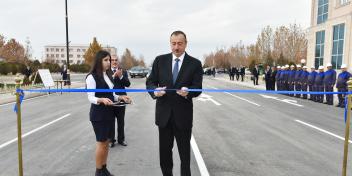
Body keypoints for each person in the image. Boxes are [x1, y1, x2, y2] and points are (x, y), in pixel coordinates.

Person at [146, 31, 203, 176]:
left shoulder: (195, 64)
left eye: (180, 43)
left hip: (183, 117)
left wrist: (189, 92)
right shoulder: (160, 60)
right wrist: (154, 91)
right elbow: (150, 81)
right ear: (170, 43)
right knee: (164, 155)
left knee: (185, 156)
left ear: (186, 43)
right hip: (164, 117)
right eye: (173, 43)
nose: (176, 47)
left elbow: (198, 87)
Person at [86, 50, 131, 176]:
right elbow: (90, 97)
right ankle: (98, 171)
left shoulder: (108, 75)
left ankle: (104, 168)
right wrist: (100, 100)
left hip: (109, 113)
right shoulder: (91, 77)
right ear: (99, 61)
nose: (108, 63)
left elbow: (112, 94)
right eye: (105, 60)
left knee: (106, 143)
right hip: (98, 115)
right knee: (101, 143)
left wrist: (121, 97)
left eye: (109, 60)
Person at [110, 58, 131, 147]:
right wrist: (113, 76)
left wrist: (121, 76)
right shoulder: (106, 72)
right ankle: (111, 140)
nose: (114, 61)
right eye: (113, 60)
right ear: (110, 61)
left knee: (121, 121)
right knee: (110, 121)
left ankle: (121, 140)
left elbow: (127, 84)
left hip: (122, 99)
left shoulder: (123, 71)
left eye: (116, 60)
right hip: (110, 99)